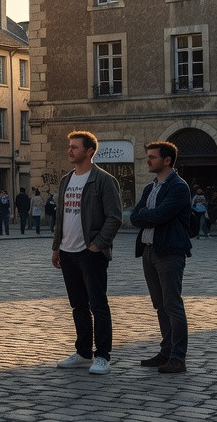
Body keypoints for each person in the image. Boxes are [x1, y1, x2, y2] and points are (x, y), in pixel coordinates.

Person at [51, 131, 123, 376]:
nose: (70, 151)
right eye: (69, 147)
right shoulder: (66, 180)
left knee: (98, 305)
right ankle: (83, 352)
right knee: (78, 305)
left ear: (90, 151)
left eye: (75, 147)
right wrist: (55, 246)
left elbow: (114, 218)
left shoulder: (103, 180)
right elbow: (60, 217)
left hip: (90, 252)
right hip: (67, 251)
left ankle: (103, 355)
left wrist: (98, 244)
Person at [130, 140, 193, 374]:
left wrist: (150, 215)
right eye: (148, 156)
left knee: (172, 305)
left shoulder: (178, 186)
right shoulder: (150, 188)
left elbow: (161, 215)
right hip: (148, 250)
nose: (148, 160)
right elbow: (135, 217)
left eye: (152, 157)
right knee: (160, 305)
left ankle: (178, 357)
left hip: (169, 252)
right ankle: (166, 352)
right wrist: (150, 215)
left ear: (167, 160)